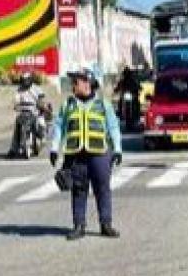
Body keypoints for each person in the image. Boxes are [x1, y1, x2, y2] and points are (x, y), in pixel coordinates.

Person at [50, 67, 123, 240]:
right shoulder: (68, 104)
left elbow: (113, 126)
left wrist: (118, 149)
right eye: (73, 81)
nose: (73, 84)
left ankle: (106, 224)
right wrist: (54, 148)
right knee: (78, 190)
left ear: (87, 83)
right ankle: (79, 225)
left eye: (76, 81)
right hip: (76, 155)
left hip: (100, 154)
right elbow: (59, 127)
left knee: (102, 189)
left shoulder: (103, 104)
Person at [9, 73, 42, 157]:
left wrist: (41, 104)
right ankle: (13, 148)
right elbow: (16, 100)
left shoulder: (36, 89)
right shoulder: (19, 90)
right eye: (24, 80)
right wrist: (15, 105)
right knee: (17, 126)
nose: (25, 82)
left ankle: (39, 138)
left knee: (40, 124)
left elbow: (42, 99)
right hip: (23, 112)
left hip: (35, 112)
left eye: (27, 80)